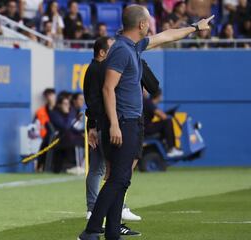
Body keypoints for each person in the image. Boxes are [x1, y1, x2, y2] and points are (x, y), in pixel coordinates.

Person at [78, 5, 213, 240]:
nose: (151, 26)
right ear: (141, 24)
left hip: (130, 121)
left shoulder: (132, 46)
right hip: (123, 122)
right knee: (118, 178)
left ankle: (112, 232)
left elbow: (166, 35)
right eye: (148, 21)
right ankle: (90, 232)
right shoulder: (121, 50)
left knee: (121, 179)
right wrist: (114, 125)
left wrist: (194, 27)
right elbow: (108, 89)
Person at [83, 36, 143, 237]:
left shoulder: (104, 68)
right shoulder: (96, 70)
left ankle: (112, 227)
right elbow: (94, 100)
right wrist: (95, 125)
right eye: (111, 48)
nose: (114, 50)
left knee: (113, 175)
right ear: (102, 52)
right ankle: (94, 219)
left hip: (108, 124)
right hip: (107, 126)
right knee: (109, 174)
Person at [143, 90, 183, 157]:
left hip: (146, 127)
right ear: (158, 96)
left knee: (166, 123)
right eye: (161, 95)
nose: (162, 97)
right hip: (146, 129)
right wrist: (166, 115)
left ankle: (169, 147)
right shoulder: (149, 103)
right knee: (167, 122)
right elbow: (163, 116)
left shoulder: (150, 103)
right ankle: (171, 149)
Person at [35, 88, 56, 171]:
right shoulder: (41, 111)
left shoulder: (60, 108)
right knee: (46, 142)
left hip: (58, 135)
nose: (49, 97)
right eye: (47, 96)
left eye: (51, 95)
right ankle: (40, 166)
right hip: (45, 136)